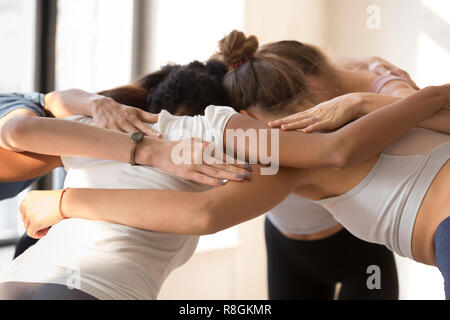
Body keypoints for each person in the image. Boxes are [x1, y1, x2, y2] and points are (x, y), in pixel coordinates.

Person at [5, 41, 450, 301]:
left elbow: (25, 126)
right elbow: (207, 214)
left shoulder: (111, 123)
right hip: (83, 286)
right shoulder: (233, 140)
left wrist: (65, 195)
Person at [0, 61, 250, 258]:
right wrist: (153, 151)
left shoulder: (61, 126)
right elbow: (23, 126)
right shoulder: (45, 132)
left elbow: (49, 102)